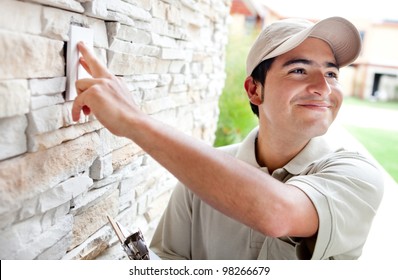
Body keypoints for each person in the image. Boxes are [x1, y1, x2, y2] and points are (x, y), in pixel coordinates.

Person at [72, 16, 384, 260]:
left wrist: (133, 121)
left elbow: (277, 213)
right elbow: (169, 261)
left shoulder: (356, 176)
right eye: (299, 70)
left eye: (331, 73)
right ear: (254, 90)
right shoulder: (201, 179)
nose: (323, 87)